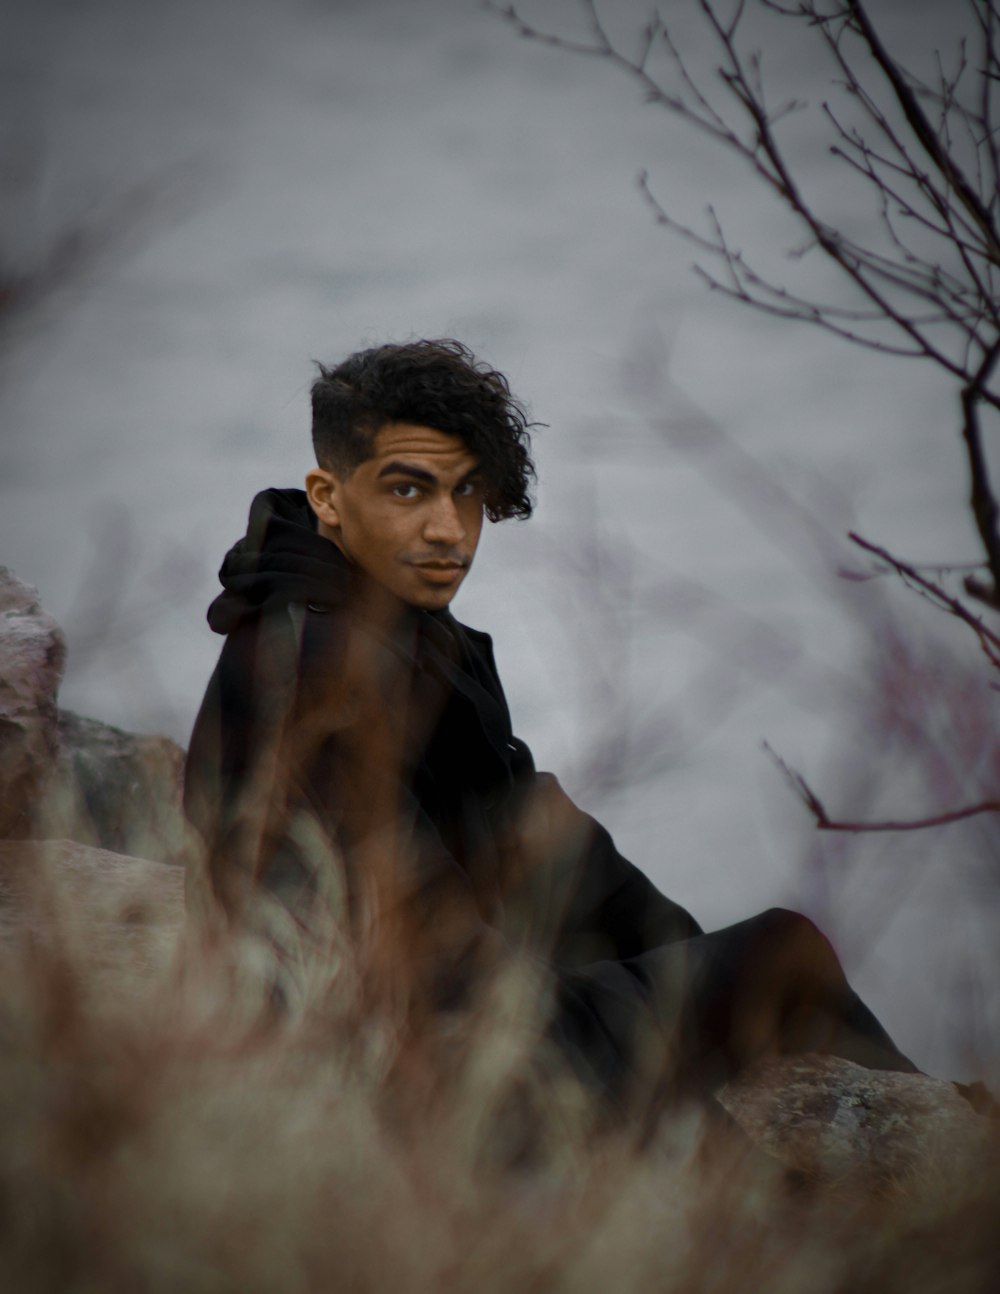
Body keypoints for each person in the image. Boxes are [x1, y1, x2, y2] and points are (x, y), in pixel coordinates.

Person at [184, 338, 917, 1120]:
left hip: (464, 1008)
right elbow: (406, 962)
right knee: (784, 954)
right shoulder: (318, 672)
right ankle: (954, 1139)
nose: (448, 530)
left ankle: (935, 1124)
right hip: (421, 1060)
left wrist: (682, 964)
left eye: (467, 492)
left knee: (742, 960)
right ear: (327, 496)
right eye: (408, 491)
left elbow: (533, 835)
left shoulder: (397, 625)